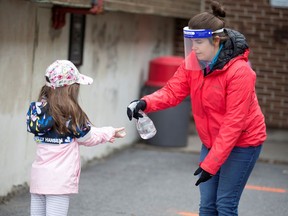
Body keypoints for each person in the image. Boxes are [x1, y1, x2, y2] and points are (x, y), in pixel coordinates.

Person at [127, 1, 266, 215]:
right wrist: (145, 102)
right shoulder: (194, 61)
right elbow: (173, 91)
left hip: (242, 143)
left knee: (225, 205)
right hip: (211, 140)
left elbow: (233, 123)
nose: (194, 48)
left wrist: (210, 164)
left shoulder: (240, 72)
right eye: (191, 42)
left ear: (216, 40)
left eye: (199, 42)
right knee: (207, 206)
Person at [26, 60, 126, 216]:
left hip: (38, 178)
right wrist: (110, 132)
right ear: (69, 89)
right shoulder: (71, 114)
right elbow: (88, 138)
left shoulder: (38, 111)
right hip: (58, 182)